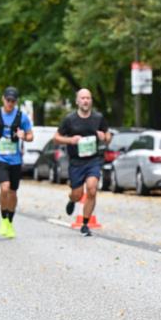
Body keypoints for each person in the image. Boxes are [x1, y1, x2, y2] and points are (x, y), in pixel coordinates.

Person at [54, 88, 110, 237]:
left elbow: (108, 135)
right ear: (77, 101)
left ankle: (85, 224)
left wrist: (104, 136)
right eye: (83, 98)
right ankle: (72, 200)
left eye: (88, 98)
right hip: (76, 162)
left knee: (92, 189)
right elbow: (56, 137)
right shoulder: (69, 119)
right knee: (78, 195)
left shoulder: (98, 118)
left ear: (91, 101)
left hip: (93, 160)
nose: (85, 101)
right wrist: (70, 140)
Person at [0, 87, 33, 238]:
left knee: (13, 192)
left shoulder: (21, 117)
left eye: (13, 101)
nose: (10, 103)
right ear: (3, 99)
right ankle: (4, 219)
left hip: (15, 160)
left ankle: (10, 221)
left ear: (16, 102)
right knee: (5, 188)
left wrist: (24, 136)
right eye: (8, 100)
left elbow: (31, 136)